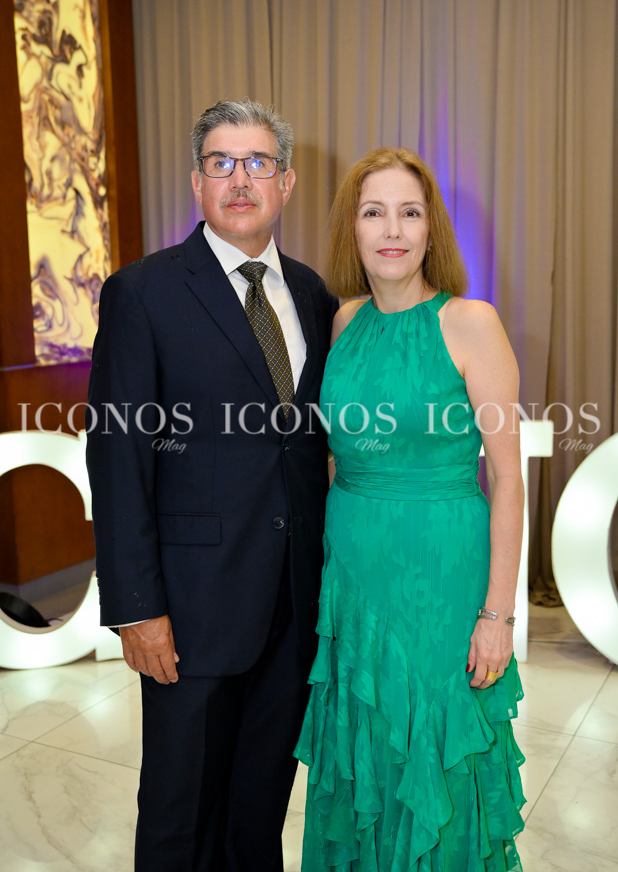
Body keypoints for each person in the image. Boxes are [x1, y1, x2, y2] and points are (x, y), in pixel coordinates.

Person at [86, 98, 337, 871]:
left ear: (286, 183)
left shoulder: (316, 296)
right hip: (191, 608)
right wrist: (137, 608)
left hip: (293, 603)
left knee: (259, 807)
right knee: (179, 811)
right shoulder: (143, 292)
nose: (240, 179)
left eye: (258, 162)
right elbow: (118, 458)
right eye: (220, 163)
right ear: (196, 183)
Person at [295, 147, 526, 870]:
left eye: (409, 212)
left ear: (432, 230)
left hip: (440, 577)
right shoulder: (343, 323)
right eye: (374, 212)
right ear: (352, 228)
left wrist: (497, 616)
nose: (392, 230)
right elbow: (335, 455)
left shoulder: (471, 322)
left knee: (433, 756)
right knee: (363, 751)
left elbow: (509, 480)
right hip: (353, 576)